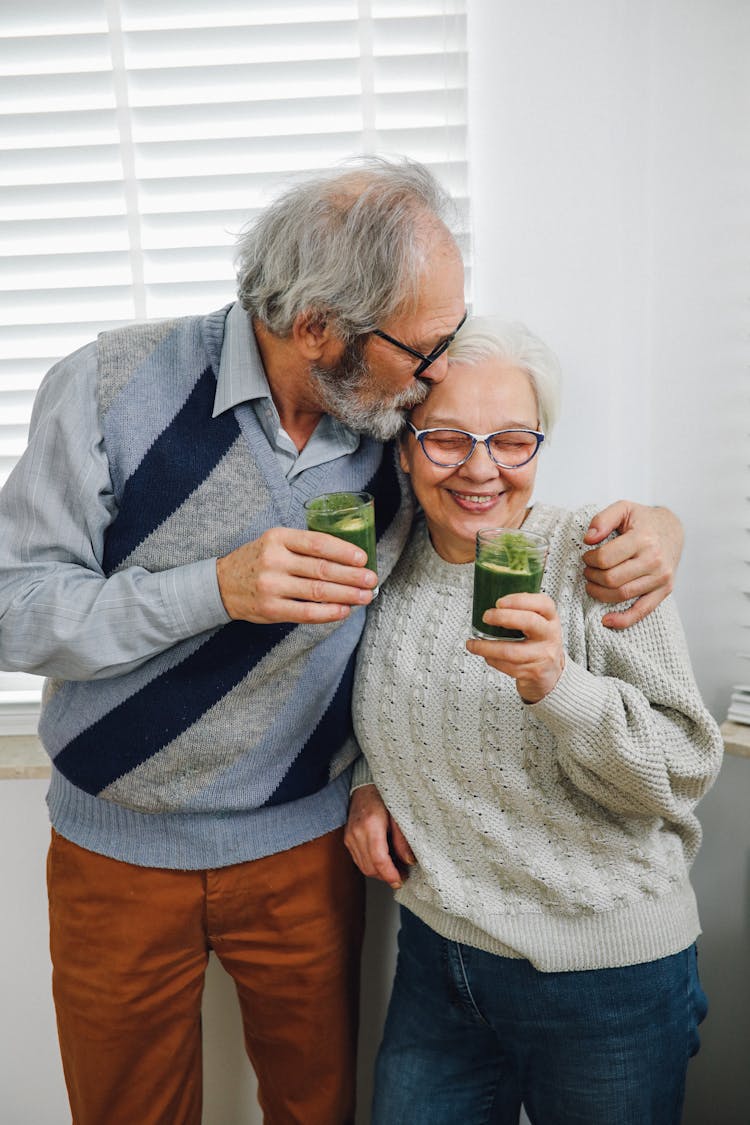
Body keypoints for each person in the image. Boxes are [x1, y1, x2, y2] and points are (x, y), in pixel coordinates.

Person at [0, 158, 682, 1125]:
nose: (440, 366)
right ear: (318, 328)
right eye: (424, 342)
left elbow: (492, 505)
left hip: (303, 848)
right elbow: (13, 605)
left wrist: (660, 525)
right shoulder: (109, 384)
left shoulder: (399, 423)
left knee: (316, 1108)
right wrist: (216, 589)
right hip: (115, 851)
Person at [345, 316, 723, 1125]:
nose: (481, 468)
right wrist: (370, 782)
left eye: (513, 439)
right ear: (406, 445)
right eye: (447, 437)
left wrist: (559, 684)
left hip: (605, 979)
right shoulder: (384, 558)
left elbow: (684, 767)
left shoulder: (600, 557)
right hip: (439, 961)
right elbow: (380, 704)